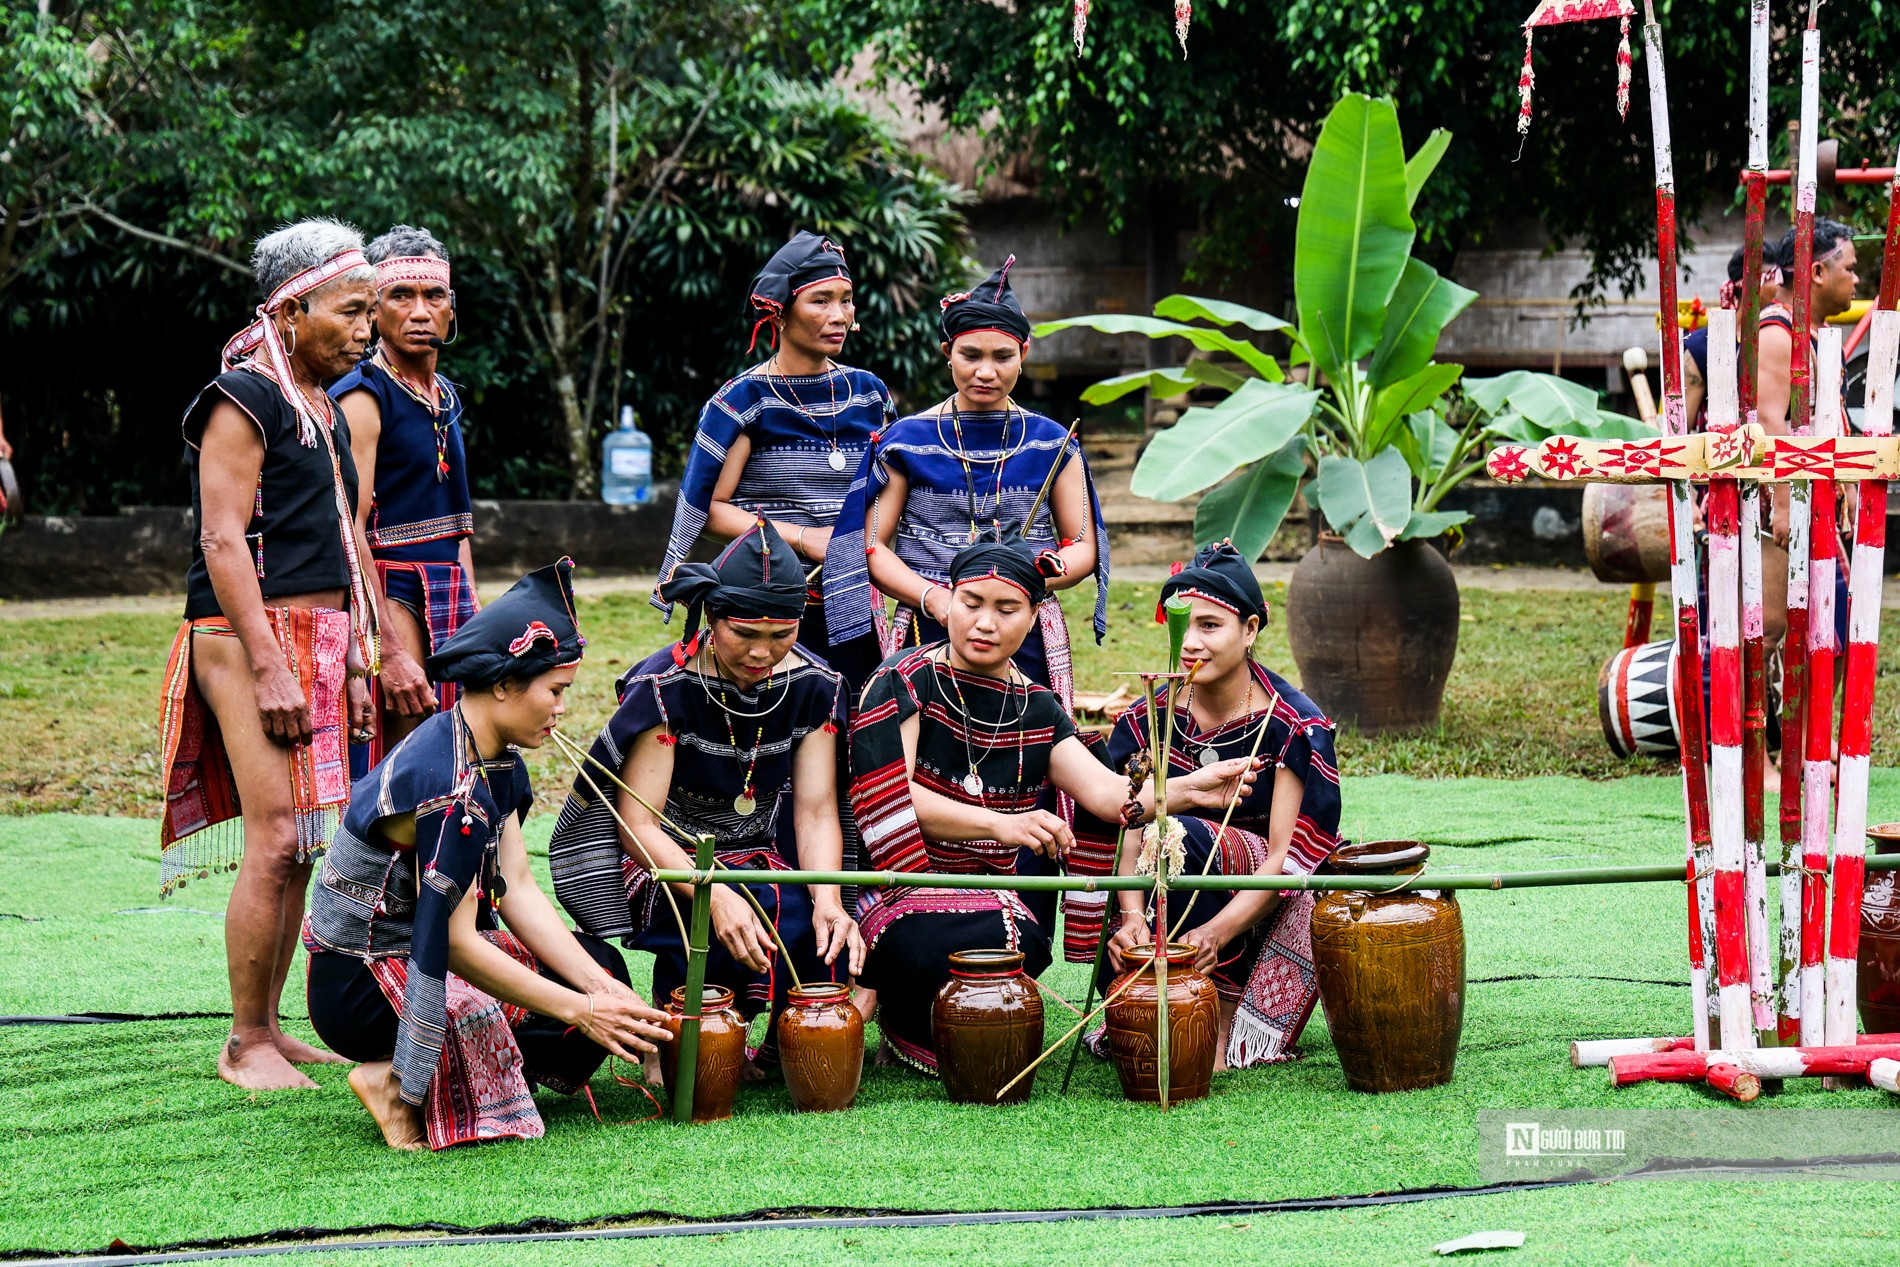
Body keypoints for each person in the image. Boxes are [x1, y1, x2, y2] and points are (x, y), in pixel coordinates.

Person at [849, 537, 1259, 1074]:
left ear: (1036, 616)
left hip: (991, 900)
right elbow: (890, 794)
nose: (985, 623)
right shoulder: (903, 679)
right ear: (949, 600)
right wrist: (1002, 824)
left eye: (1007, 608)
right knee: (918, 942)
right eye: (971, 603)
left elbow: (1111, 797)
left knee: (1022, 941)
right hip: (896, 885)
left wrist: (1189, 789)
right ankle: (895, 1012)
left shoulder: (1036, 707)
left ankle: (923, 1027)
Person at [304, 559, 671, 1151]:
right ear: (502, 685)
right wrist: (581, 1010)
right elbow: (453, 942)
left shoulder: (492, 756)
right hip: (359, 978)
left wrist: (597, 989)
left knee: (604, 969)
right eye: (555, 692)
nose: (560, 709)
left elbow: (519, 887)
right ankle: (393, 1082)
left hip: (427, 945)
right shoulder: (448, 784)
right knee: (499, 1012)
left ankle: (450, 1075)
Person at [157, 218, 385, 1091]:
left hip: (315, 641)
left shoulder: (320, 407)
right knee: (279, 833)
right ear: (290, 311)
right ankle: (244, 1039)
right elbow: (222, 541)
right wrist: (269, 661)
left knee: (301, 843)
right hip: (242, 637)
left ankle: (270, 1026)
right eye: (351, 311)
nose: (365, 329)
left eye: (368, 312)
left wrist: (356, 661)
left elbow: (341, 539)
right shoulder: (242, 397)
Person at [552, 519, 866, 1074]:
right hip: (664, 862)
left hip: (758, 852)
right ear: (713, 617)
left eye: (781, 634)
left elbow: (816, 811)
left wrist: (828, 900)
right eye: (745, 633)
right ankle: (677, 1038)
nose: (762, 653)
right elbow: (639, 826)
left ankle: (777, 1044)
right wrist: (713, 893)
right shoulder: (664, 689)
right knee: (710, 918)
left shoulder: (817, 685)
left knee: (811, 924)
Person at [1092, 542, 1343, 1069]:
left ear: (1250, 630)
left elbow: (1286, 856)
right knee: (1125, 831)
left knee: (1182, 831)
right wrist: (1129, 919)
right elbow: (1126, 825)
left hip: (1258, 900)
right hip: (1155, 890)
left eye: (1211, 626)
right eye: (1182, 625)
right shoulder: (1148, 717)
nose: (1190, 643)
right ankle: (1146, 1006)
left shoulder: (1292, 723)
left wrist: (1217, 932)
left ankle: (1223, 1018)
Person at [826, 255, 1109, 712]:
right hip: (930, 620)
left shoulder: (1054, 443)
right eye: (970, 355)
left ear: (1024, 355)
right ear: (947, 355)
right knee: (922, 753)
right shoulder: (905, 443)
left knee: (1027, 749)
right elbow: (873, 545)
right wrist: (934, 597)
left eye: (1002, 356)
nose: (985, 371)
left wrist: (1048, 568)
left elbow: (1082, 543)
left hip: (1024, 623)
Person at [653, 231, 894, 688]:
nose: (838, 315)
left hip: (855, 592)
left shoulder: (869, 394)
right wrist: (805, 538)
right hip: (766, 602)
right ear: (778, 312)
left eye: (846, 300)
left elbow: (888, 492)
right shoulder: (746, 400)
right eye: (820, 301)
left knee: (853, 717)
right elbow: (710, 511)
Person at [332, 226, 478, 774]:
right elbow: (350, 527)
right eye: (401, 296)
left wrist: (475, 612)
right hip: (390, 593)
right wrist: (387, 649)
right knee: (403, 764)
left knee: (455, 753)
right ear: (374, 309)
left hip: (448, 591)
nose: (420, 311)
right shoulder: (365, 396)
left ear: (451, 309)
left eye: (433, 296)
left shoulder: (445, 398)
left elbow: (457, 526)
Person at [1682, 245, 1784, 430]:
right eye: (1776, 278)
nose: (1781, 286)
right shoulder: (1702, 346)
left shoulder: (1782, 341)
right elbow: (1680, 429)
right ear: (1753, 283)